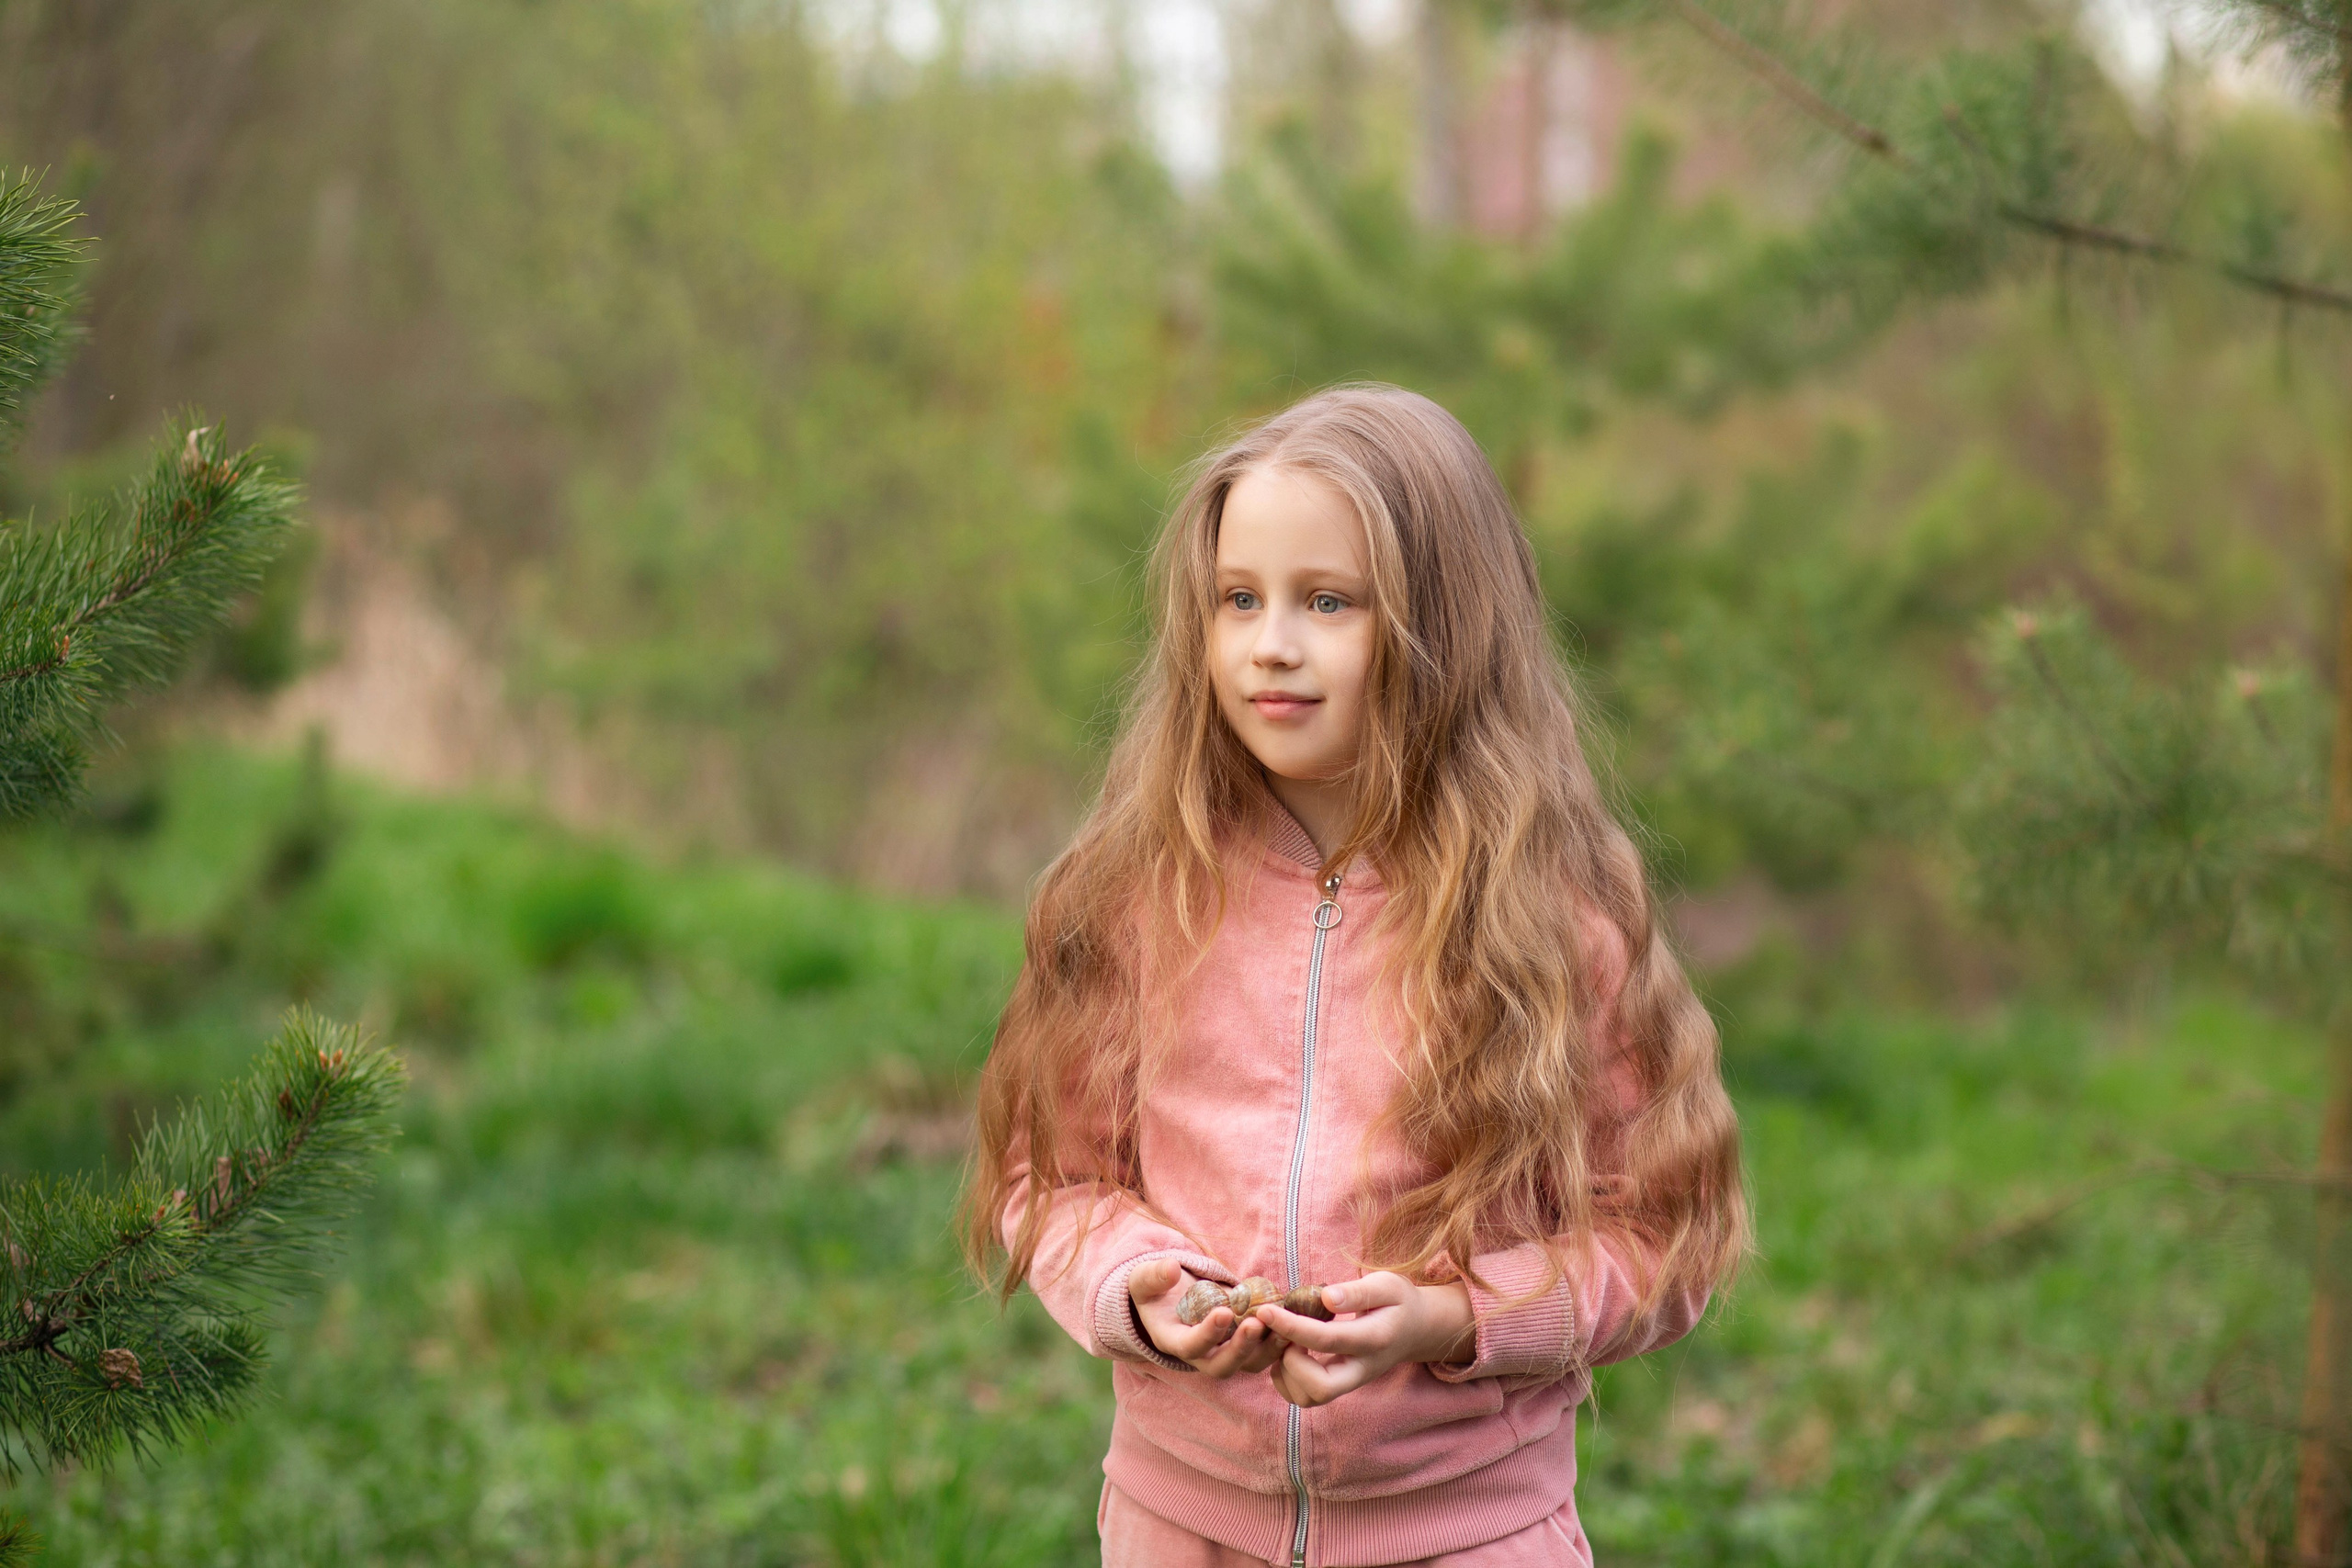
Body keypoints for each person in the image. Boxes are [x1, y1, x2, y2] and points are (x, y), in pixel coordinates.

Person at [961, 384, 1748, 1568]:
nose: (1271, 643)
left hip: (1471, 1527)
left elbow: (1660, 1240)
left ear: (1447, 625)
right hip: (1186, 1524)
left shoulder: (1552, 925)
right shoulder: (1135, 898)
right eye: (1239, 600)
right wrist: (1139, 1286)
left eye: (1327, 601)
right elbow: (1050, 1181)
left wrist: (1457, 1317)